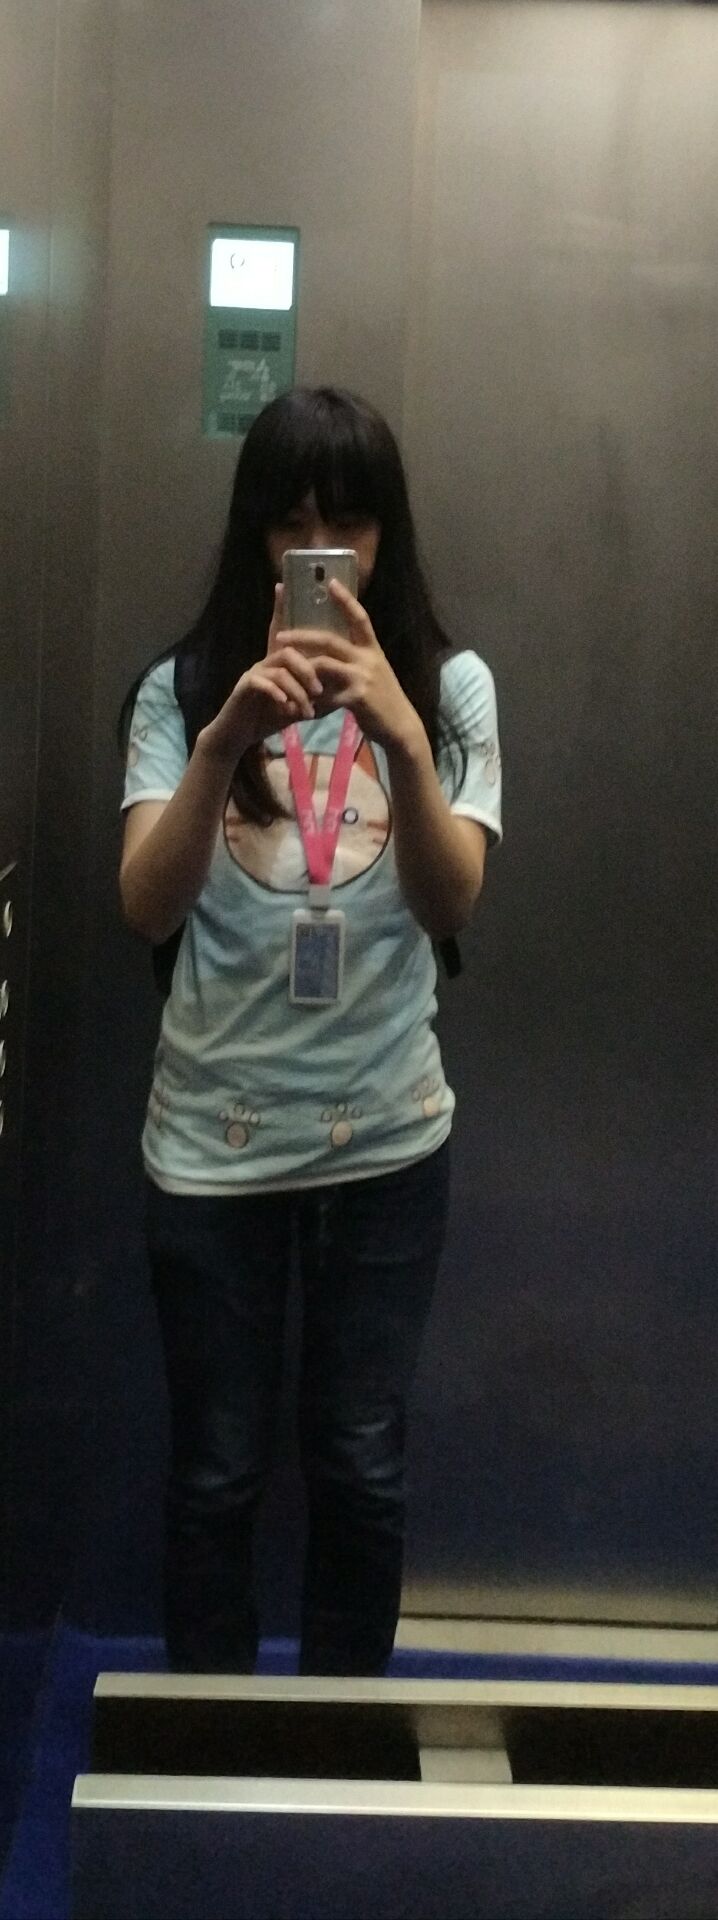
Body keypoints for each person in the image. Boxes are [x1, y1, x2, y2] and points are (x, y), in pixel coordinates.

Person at [118, 385, 502, 1676]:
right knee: (216, 1468)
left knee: (361, 1462)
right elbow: (145, 906)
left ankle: (339, 1751)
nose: (319, 551)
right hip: (210, 1145)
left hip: (386, 1139)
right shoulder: (181, 690)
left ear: (387, 536)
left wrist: (402, 740)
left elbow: (451, 902)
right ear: (255, 534)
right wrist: (224, 740)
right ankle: (209, 1751)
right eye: (291, 524)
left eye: (348, 524)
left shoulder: (449, 691)